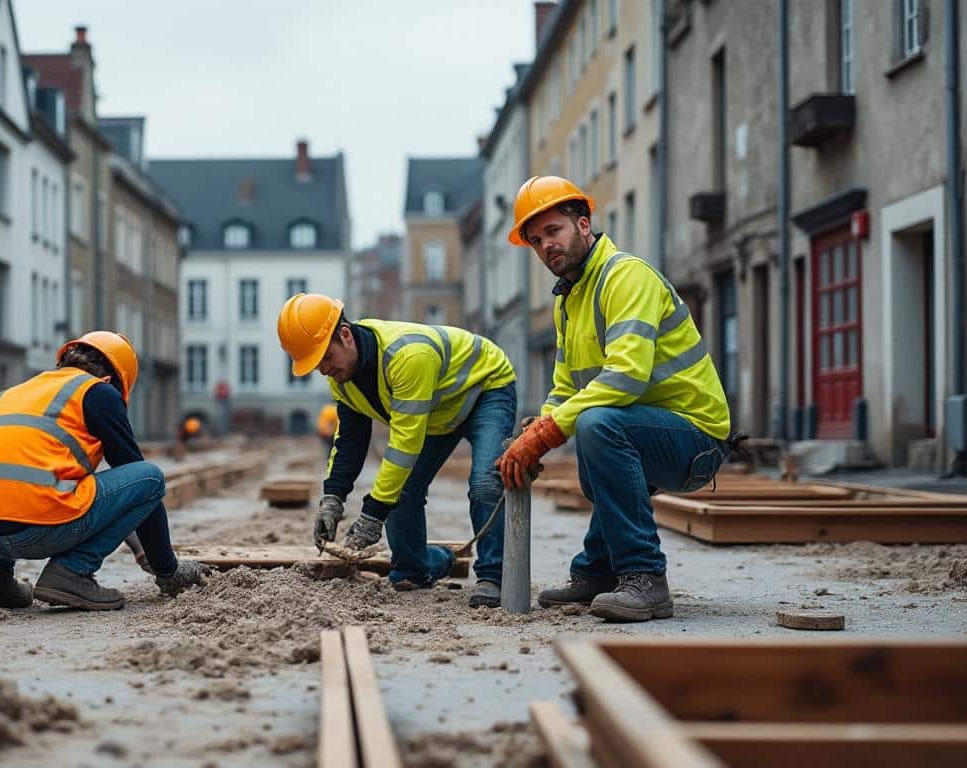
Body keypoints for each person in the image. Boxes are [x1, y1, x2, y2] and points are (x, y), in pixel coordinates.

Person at [494, 176, 734, 622]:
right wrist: (539, 425)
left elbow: (625, 378)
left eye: (554, 231)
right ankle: (598, 571)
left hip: (696, 436)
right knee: (595, 427)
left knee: (598, 426)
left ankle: (646, 578)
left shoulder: (625, 277)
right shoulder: (568, 300)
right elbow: (566, 388)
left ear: (583, 225)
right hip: (648, 427)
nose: (546, 246)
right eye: (536, 240)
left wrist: (549, 432)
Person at [277, 294, 517, 607]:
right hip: (438, 409)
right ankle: (414, 571)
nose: (323, 369)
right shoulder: (341, 375)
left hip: (485, 389)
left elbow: (404, 443)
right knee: (401, 491)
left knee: (485, 483)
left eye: (325, 357)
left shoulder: (407, 356)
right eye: (316, 364)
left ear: (345, 335)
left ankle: (492, 577)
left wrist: (372, 515)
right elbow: (350, 439)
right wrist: (332, 498)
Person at [0, 331, 211, 611]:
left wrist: (139, 546)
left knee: (10, 486)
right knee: (150, 477)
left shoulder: (12, 393)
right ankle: (72, 571)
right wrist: (167, 568)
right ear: (113, 381)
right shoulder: (98, 392)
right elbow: (136, 481)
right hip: (36, 530)